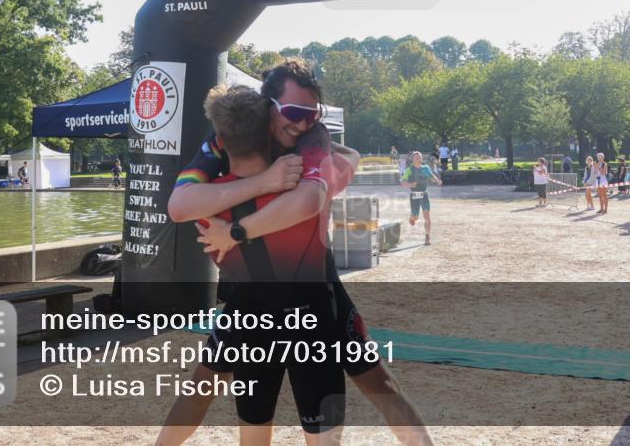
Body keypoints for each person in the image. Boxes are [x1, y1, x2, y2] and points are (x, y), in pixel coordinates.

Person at [163, 58, 433, 446]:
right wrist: (263, 182)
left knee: (379, 386)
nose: (304, 122)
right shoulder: (228, 138)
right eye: (294, 112)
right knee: (207, 393)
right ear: (267, 105)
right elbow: (178, 205)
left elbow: (309, 199)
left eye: (313, 113)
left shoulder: (312, 141)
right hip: (249, 303)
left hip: (315, 299)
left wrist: (236, 231)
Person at [192, 84, 349, 444]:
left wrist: (234, 230)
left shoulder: (209, 204)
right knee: (331, 427)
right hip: (314, 314)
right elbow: (347, 163)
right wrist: (317, 149)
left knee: (250, 424)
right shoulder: (299, 186)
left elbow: (176, 206)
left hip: (250, 315)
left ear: (221, 137)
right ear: (269, 126)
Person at [401, 151, 442, 245]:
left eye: (420, 158)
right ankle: (412, 217)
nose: (419, 160)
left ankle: (427, 237)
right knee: (415, 217)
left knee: (427, 216)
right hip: (414, 195)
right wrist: (411, 184)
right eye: (417, 158)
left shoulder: (426, 168)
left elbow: (431, 177)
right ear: (413, 160)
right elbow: (403, 182)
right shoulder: (409, 169)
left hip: (424, 194)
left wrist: (437, 181)